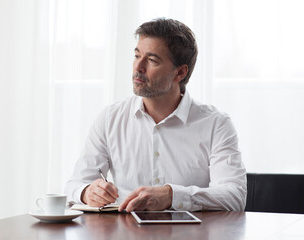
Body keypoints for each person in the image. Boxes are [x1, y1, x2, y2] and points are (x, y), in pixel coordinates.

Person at [65, 18, 247, 212]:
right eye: (137, 56)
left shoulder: (216, 124)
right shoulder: (110, 118)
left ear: (180, 73)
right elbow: (74, 185)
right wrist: (86, 192)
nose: (138, 67)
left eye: (152, 60)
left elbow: (234, 196)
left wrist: (172, 196)